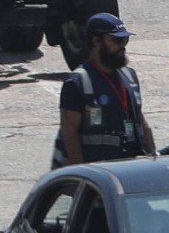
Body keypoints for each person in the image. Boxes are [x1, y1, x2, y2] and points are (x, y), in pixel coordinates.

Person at [56, 12, 153, 167]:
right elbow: (69, 133)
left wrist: (152, 159)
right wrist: (82, 175)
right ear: (96, 41)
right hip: (95, 174)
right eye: (117, 40)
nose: (123, 46)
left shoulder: (130, 76)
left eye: (125, 40)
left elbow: (140, 120)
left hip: (126, 169)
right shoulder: (77, 83)